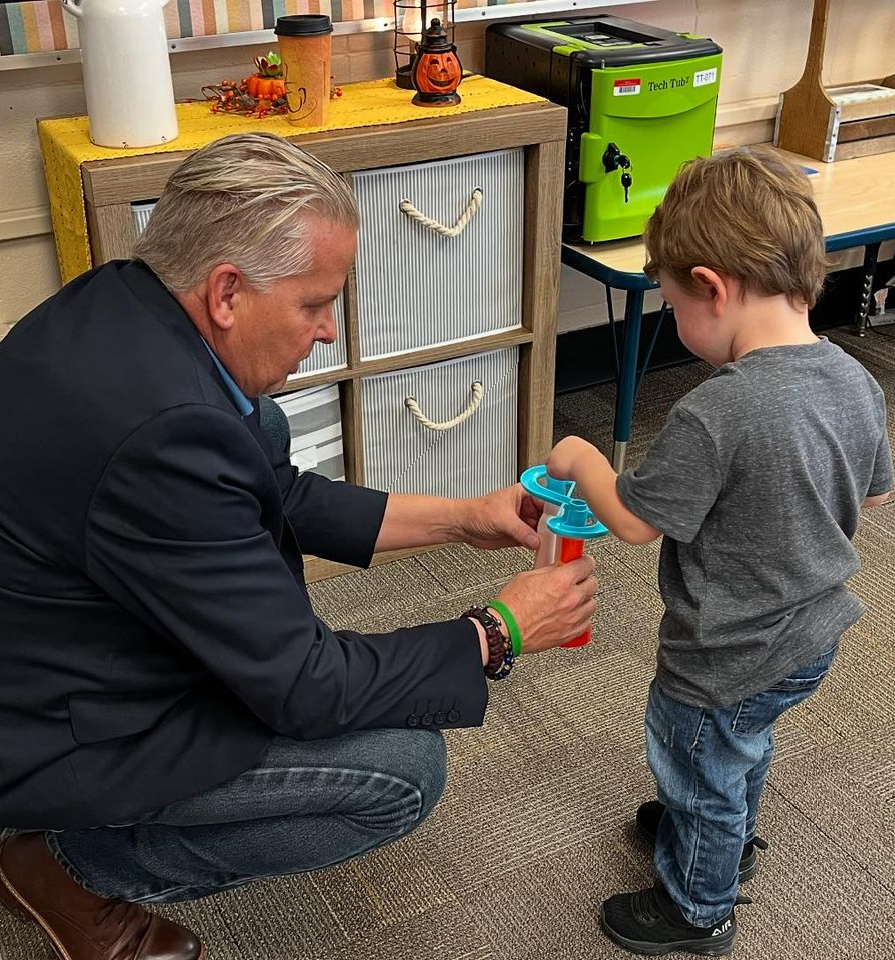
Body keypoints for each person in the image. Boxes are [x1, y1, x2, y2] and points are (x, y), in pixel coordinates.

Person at [0, 133, 598, 960]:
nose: (326, 331)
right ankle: (67, 864)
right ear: (227, 293)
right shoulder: (166, 436)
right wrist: (494, 631)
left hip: (60, 622)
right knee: (400, 773)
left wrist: (465, 516)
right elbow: (304, 688)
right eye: (316, 303)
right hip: (52, 721)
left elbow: (272, 494)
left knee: (268, 422)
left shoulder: (124, 302)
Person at [546, 147, 894, 956]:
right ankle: (725, 839)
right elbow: (874, 494)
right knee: (743, 741)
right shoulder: (853, 378)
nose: (676, 320)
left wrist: (581, 458)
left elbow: (632, 521)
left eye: (671, 304)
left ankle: (697, 907)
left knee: (698, 761)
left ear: (710, 286)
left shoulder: (719, 411)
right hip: (812, 633)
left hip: (726, 648)